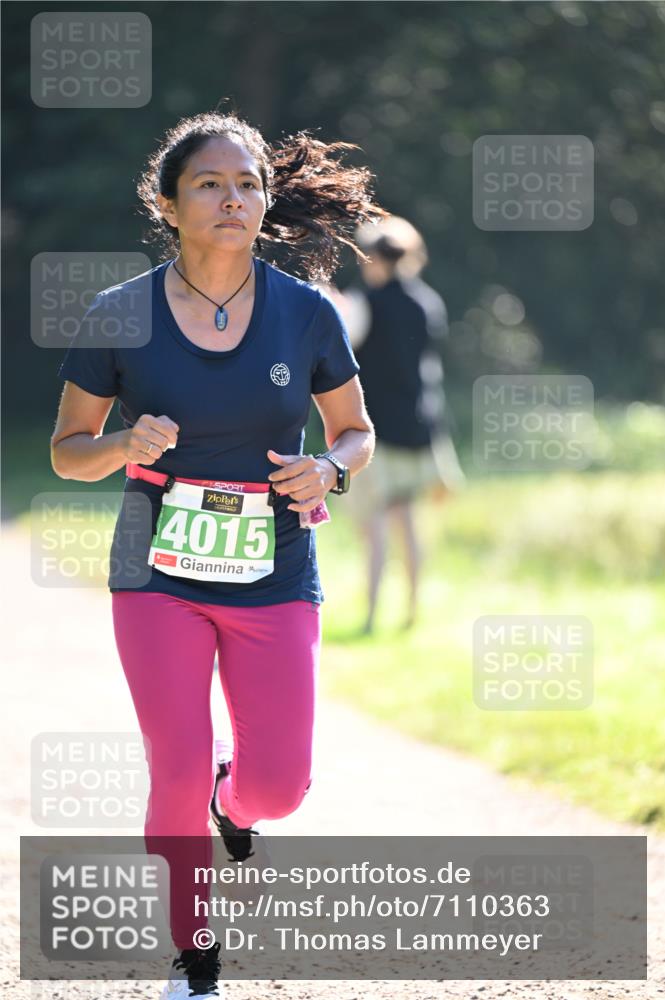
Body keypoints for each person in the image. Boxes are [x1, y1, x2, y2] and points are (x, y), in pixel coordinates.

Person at [50, 108, 381, 1000]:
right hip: (155, 567)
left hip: (272, 562)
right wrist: (123, 445)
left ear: (264, 203)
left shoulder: (305, 312)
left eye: (247, 184)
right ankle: (195, 960)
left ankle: (234, 806)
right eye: (209, 183)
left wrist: (326, 469)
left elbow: (355, 432)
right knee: (176, 761)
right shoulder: (120, 313)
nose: (232, 198)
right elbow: (67, 450)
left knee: (277, 787)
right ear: (168, 202)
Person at [333, 216, 464, 634]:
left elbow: (342, 348)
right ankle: (411, 610)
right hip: (421, 425)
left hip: (377, 432)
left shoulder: (364, 302)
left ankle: (371, 615)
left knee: (373, 527)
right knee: (406, 519)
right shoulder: (428, 301)